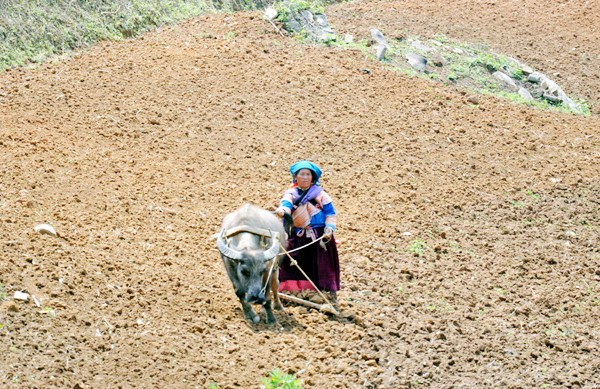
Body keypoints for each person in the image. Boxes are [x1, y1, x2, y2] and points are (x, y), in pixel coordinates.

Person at [275, 160, 340, 305]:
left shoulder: (321, 195)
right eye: (302, 174)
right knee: (288, 260)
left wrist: (329, 229)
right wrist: (282, 211)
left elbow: (330, 213)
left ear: (313, 178)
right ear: (295, 177)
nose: (305, 177)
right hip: (299, 235)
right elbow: (286, 206)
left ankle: (323, 294)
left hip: (320, 237)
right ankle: (291, 291)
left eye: (308, 174)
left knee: (322, 265)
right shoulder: (291, 194)